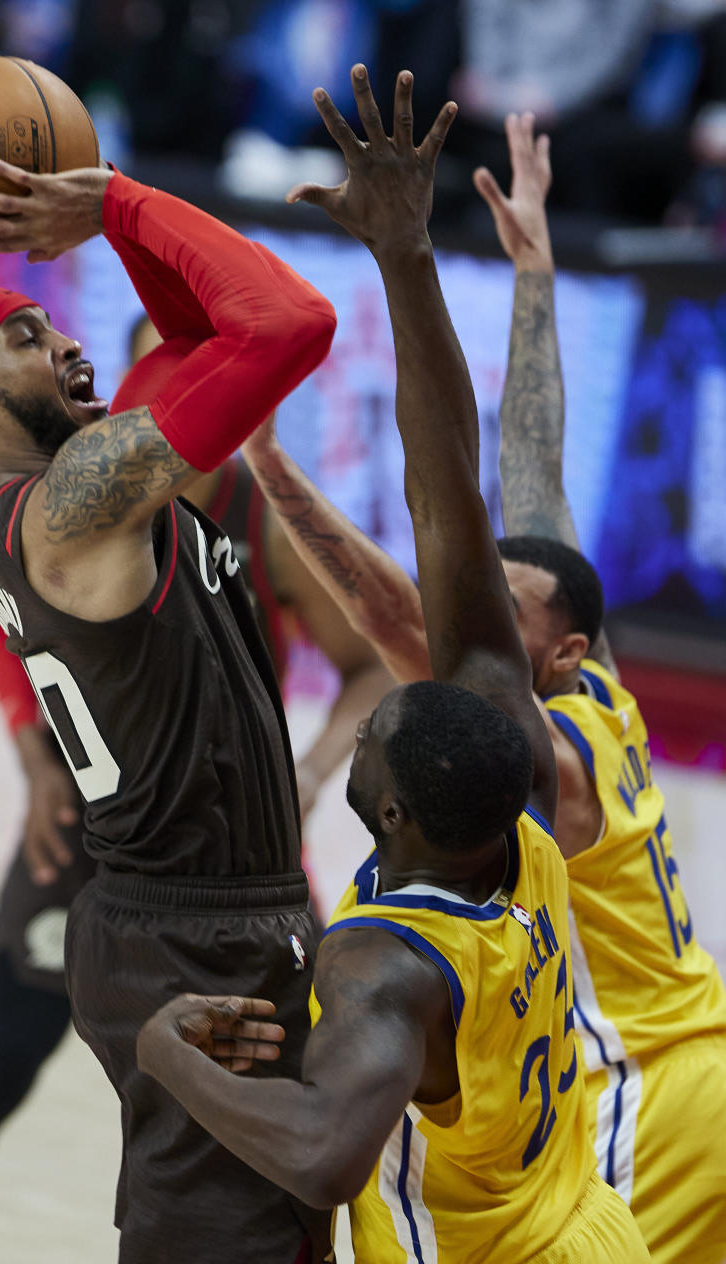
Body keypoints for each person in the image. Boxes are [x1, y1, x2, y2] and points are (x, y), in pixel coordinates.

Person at [137, 65, 648, 1262]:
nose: (369, 711)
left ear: (395, 806)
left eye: (373, 733)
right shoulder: (515, 813)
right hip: (595, 1226)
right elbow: (445, 488)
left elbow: (323, 1151)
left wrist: (163, 1052)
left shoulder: (385, 964)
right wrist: (405, 254)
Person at [241, 109, 726, 1262]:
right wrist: (534, 273)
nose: (487, 618)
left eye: (514, 611)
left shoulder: (534, 754)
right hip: (697, 1050)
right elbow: (533, 483)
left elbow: (402, 610)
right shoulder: (589, 683)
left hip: (640, 1102)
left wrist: (268, 463)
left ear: (558, 648)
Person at [0, 158, 337, 1264]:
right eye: (31, 337)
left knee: (269, 1230)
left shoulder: (78, 488)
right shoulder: (79, 503)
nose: (75, 343)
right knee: (220, 1239)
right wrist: (117, 204)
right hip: (191, 929)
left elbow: (191, 335)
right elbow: (291, 324)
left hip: (198, 909)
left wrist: (112, 222)